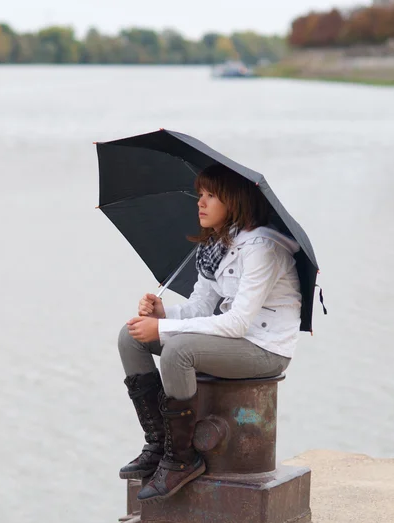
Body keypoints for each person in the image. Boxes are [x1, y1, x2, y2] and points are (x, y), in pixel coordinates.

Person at [118, 164, 301, 505]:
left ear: (234, 201)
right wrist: (163, 314)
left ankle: (182, 459)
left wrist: (164, 329)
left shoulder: (263, 249)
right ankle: (159, 445)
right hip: (234, 341)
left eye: (211, 196)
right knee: (130, 337)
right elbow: (199, 311)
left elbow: (236, 323)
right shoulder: (218, 245)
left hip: (264, 348)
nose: (200, 203)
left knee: (179, 351)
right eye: (200, 195)